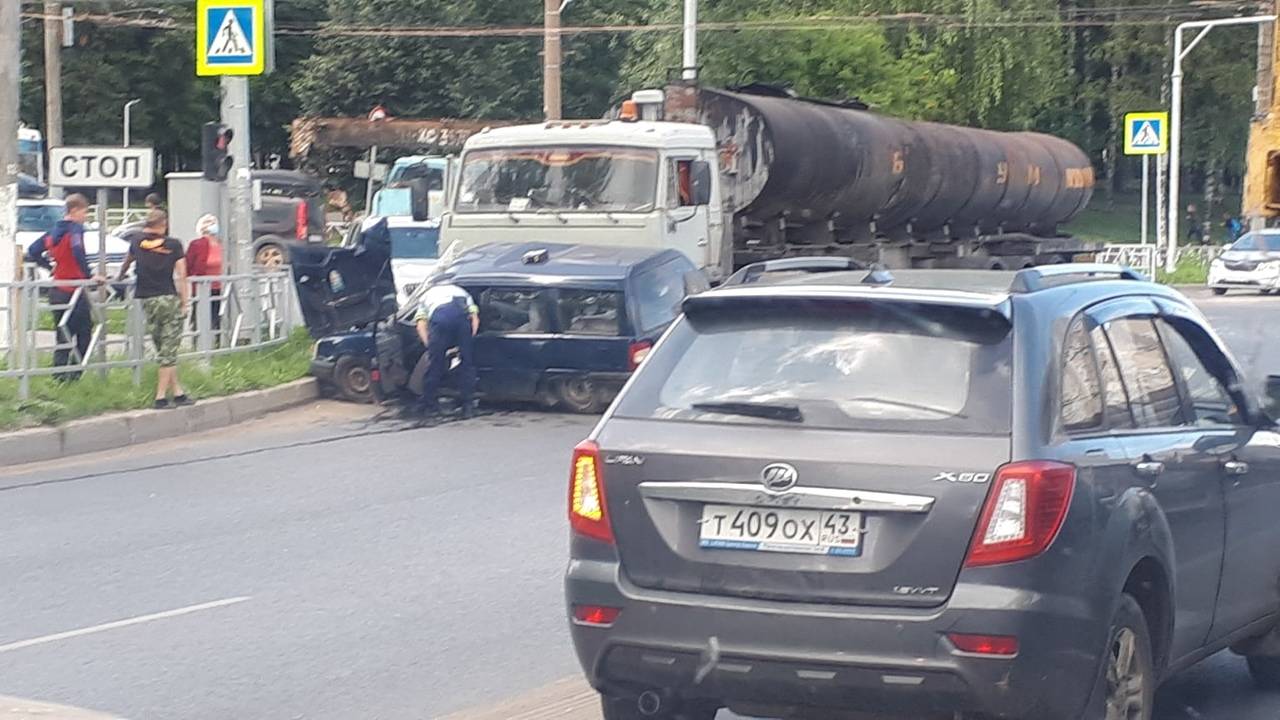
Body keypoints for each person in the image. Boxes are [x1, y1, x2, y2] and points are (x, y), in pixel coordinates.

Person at [117, 210, 192, 409]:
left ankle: (178, 393)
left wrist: (119, 277)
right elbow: (182, 275)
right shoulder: (174, 244)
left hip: (147, 299)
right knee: (169, 349)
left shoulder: (136, 240)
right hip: (168, 298)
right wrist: (185, 302)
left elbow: (127, 261)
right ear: (164, 224)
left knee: (164, 348)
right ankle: (160, 397)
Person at [25, 193, 100, 380]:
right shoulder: (75, 230)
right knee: (84, 335)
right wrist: (89, 275)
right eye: (85, 212)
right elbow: (76, 250)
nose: (86, 216)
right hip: (75, 289)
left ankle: (58, 376)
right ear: (74, 210)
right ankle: (75, 375)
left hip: (58, 288)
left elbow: (33, 251)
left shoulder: (54, 231)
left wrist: (49, 266)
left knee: (62, 335)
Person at [415, 280, 479, 418]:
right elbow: (475, 319)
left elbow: (420, 325)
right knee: (466, 365)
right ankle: (467, 406)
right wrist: (467, 340)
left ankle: (429, 405)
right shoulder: (463, 293)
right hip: (461, 321)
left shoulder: (427, 295)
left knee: (435, 366)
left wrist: (430, 345)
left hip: (440, 320)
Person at [186, 214, 224, 337]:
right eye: (209, 222)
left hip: (219, 287)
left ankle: (217, 343)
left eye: (214, 221)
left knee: (217, 316)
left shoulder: (222, 244)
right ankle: (196, 342)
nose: (212, 224)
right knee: (199, 316)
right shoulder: (197, 244)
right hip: (201, 288)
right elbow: (188, 265)